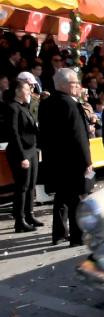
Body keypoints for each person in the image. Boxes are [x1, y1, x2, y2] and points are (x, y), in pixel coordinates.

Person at [38, 68, 92, 246]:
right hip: (72, 161)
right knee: (75, 199)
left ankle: (59, 234)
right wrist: (87, 161)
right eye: (75, 82)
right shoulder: (70, 104)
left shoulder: (46, 103)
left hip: (55, 160)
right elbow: (79, 137)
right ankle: (77, 237)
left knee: (61, 198)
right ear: (64, 85)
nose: (78, 86)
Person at [5, 80, 44, 233]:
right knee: (22, 187)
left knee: (31, 186)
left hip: (31, 150)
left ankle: (29, 214)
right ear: (17, 91)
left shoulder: (24, 107)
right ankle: (19, 220)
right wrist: (22, 157)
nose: (29, 91)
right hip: (20, 152)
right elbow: (14, 134)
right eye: (27, 89)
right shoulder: (12, 108)